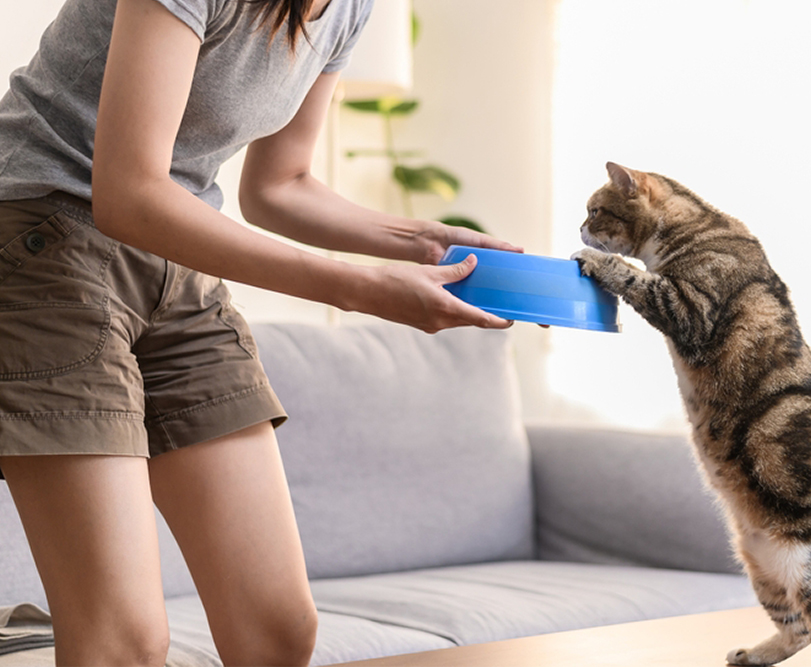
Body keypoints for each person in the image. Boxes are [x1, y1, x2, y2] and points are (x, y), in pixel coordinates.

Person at [0, 0, 519, 664]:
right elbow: (127, 192)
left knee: (275, 630)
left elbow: (281, 184)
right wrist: (358, 286)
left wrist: (420, 241)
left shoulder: (350, 9)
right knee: (122, 642)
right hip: (42, 243)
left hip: (177, 259)